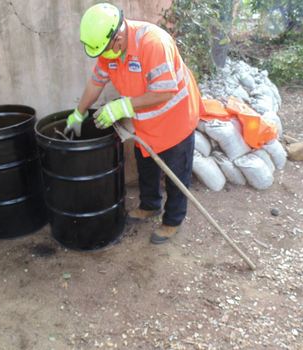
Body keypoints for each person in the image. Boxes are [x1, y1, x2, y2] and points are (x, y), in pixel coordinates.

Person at [65, 3, 201, 244]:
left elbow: (165, 91)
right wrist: (78, 113)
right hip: (146, 121)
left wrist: (121, 107)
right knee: (145, 165)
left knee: (176, 174)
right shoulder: (111, 51)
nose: (104, 57)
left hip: (175, 121)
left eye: (105, 50)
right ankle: (150, 206)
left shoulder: (153, 43)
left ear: (118, 37)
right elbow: (96, 83)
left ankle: (173, 221)